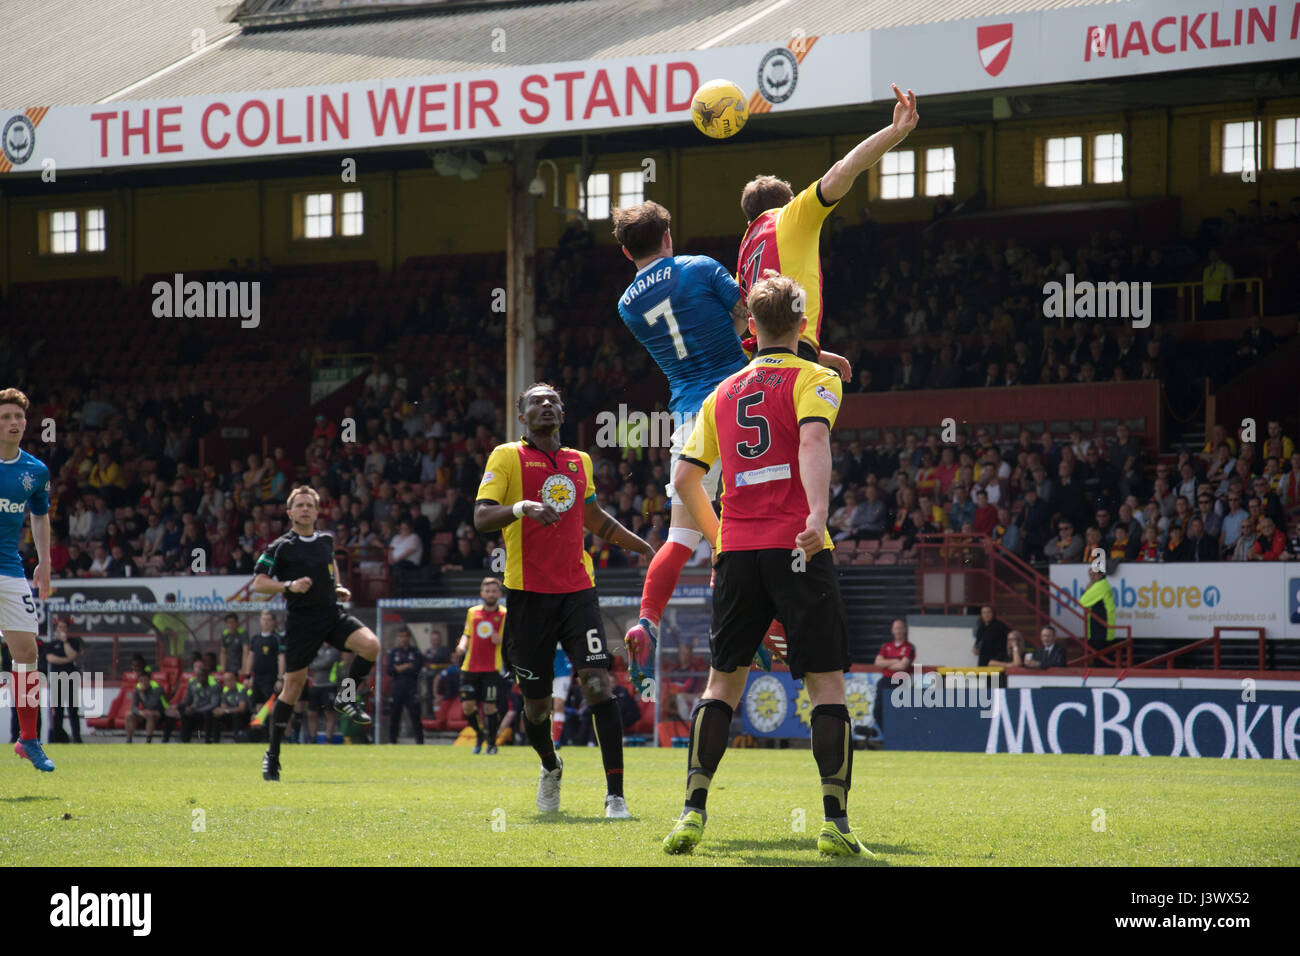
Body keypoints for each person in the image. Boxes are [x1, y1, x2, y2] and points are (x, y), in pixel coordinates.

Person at [662, 272, 867, 857]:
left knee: (721, 684)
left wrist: (720, 537)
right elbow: (811, 444)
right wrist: (818, 515)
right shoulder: (816, 377)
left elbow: (684, 479)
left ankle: (692, 814)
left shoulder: (721, 393)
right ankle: (834, 823)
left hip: (740, 553)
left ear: (749, 328)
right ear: (803, 327)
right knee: (826, 684)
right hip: (799, 548)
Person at [613, 200, 847, 678]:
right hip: (739, 400)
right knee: (760, 520)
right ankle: (764, 621)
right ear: (668, 238)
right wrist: (814, 354)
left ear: (624, 251)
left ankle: (645, 621)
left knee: (680, 536)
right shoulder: (700, 268)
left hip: (686, 415)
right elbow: (754, 322)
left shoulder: (627, 305)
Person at [474, 383, 654, 818]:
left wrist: (643, 548)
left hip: (578, 592)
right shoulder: (506, 456)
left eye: (552, 400)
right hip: (527, 596)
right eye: (536, 401)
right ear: (522, 416)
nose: (546, 404)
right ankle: (551, 766)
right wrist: (521, 508)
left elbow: (593, 517)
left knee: (597, 684)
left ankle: (616, 796)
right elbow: (481, 518)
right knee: (535, 708)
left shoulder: (580, 461)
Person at [736, 84, 918, 364]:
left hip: (759, 361)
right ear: (790, 202)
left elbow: (744, 327)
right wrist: (895, 131)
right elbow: (844, 169)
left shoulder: (746, 250)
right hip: (796, 353)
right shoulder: (789, 217)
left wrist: (820, 354)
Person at [250, 485, 381, 781]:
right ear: (290, 512)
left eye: (310, 505)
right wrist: (288, 586)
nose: (305, 509)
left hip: (331, 614)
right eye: (300, 505)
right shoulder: (280, 547)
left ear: (317, 511)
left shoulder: (325, 541)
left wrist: (337, 587)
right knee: (293, 688)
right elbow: (258, 584)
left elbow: (330, 566)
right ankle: (272, 755)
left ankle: (346, 698)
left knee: (371, 646)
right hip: (301, 622)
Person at [0, 388, 55, 771]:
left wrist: (45, 563)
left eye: (18, 417)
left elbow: (40, 515)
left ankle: (28, 739)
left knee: (27, 654)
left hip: (10, 570)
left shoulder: (35, 471)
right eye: (5, 417)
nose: (13, 423)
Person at [457, 576, 507, 754]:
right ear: (482, 593)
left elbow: (509, 640)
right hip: (470, 668)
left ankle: (492, 743)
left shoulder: (504, 614)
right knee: (468, 707)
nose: (491, 594)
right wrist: (462, 645)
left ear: (499, 593)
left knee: (490, 707)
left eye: (494, 591)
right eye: (487, 591)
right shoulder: (473, 612)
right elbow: (467, 633)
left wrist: (500, 640)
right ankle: (480, 735)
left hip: (492, 669)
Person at [45, 618, 83, 743]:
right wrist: (66, 660)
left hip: (71, 678)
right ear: (56, 628)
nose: (62, 630)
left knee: (73, 709)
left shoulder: (73, 642)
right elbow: (51, 658)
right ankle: (58, 737)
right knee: (58, 710)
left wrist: (65, 642)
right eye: (59, 627)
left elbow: (72, 655)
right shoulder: (52, 644)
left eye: (64, 627)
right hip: (57, 679)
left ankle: (77, 738)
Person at [386, 626, 424, 744]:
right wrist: (407, 666)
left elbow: (416, 669)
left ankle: (420, 742)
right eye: (401, 637)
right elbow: (390, 670)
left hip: (411, 689)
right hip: (397, 689)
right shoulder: (393, 653)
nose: (403, 639)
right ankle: (393, 742)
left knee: (415, 717)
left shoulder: (415, 652)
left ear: (409, 637)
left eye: (406, 636)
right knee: (394, 717)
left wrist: (399, 668)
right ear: (398, 638)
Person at [245, 610, 285, 710]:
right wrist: (247, 676)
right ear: (260, 621)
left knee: (270, 707)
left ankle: (271, 726)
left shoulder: (277, 638)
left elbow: (282, 658)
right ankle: (261, 725)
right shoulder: (255, 638)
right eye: (263, 619)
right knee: (259, 705)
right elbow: (250, 656)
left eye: (268, 619)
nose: (266, 622)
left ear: (273, 622)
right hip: (257, 677)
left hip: (270, 678)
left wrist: (280, 678)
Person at [1078, 567, 1118, 657]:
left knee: (1100, 657)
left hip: (1101, 627)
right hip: (1101, 626)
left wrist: (1087, 589)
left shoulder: (1100, 585)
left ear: (1102, 574)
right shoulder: (1102, 584)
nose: (1092, 577)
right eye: (1090, 575)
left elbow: (1083, 602)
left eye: (1094, 574)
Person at [125, 669, 168, 743]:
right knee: (129, 715)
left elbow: (151, 705)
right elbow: (133, 706)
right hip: (146, 712)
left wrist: (142, 694)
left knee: (149, 714)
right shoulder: (138, 687)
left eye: (145, 680)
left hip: (161, 712)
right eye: (141, 681)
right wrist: (139, 712)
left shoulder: (157, 688)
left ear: (149, 680)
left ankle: (148, 740)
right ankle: (129, 740)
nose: (143, 683)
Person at [551, 643, 572, 749]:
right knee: (545, 707)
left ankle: (556, 740)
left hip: (562, 673)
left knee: (558, 705)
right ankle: (548, 737)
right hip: (546, 673)